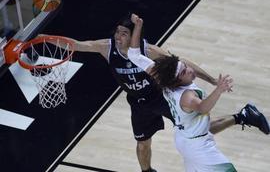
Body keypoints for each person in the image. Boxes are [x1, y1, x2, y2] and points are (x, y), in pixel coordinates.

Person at [45, 13, 269, 172]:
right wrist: (43, 40)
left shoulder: (149, 53)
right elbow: (76, 45)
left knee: (196, 126)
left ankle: (241, 116)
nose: (118, 36)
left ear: (132, 36)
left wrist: (211, 80)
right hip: (138, 102)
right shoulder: (109, 48)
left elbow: (179, 63)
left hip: (160, 97)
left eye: (124, 33)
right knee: (144, 143)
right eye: (118, 32)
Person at [127, 14, 270, 171]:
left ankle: (243, 115)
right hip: (198, 146)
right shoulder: (187, 96)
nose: (189, 70)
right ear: (177, 81)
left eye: (185, 66)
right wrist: (219, 89)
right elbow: (202, 108)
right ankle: (243, 116)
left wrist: (138, 26)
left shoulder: (163, 79)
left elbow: (133, 55)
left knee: (202, 125)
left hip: (185, 137)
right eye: (184, 72)